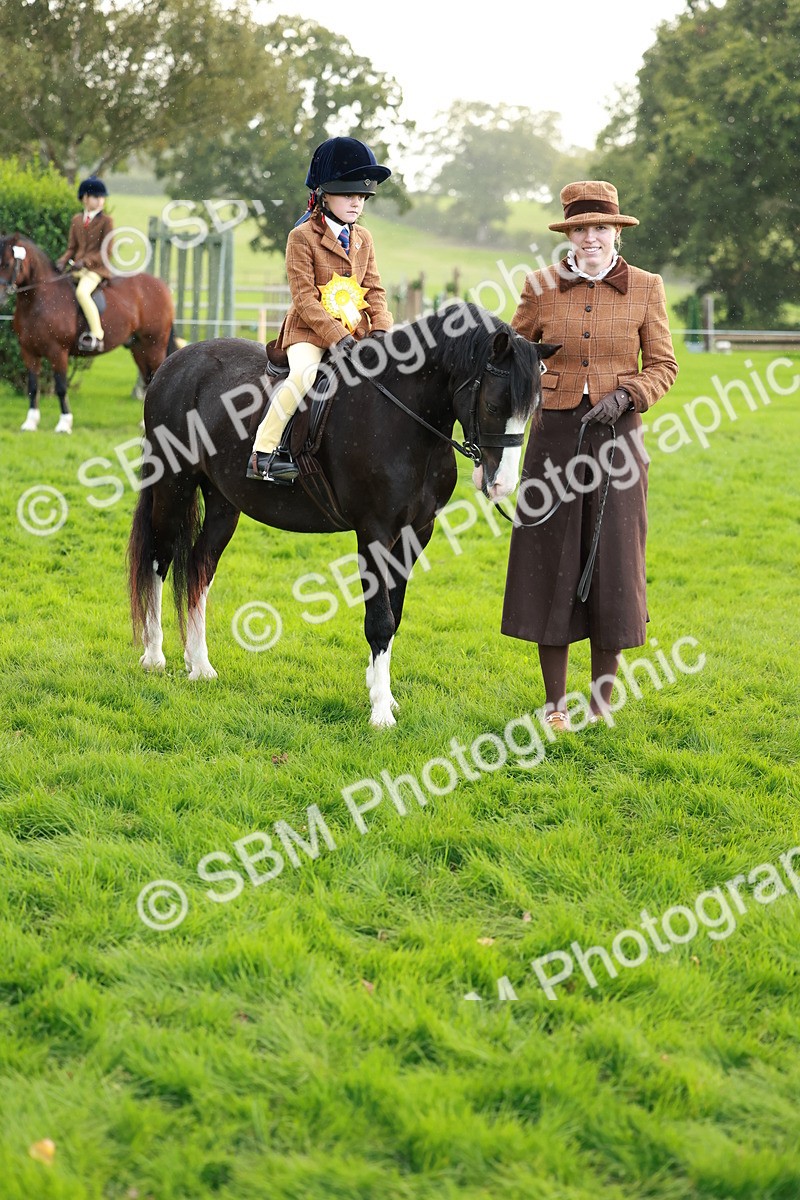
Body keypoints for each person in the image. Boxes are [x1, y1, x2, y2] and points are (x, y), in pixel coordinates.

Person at [501, 180, 679, 732]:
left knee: (613, 566)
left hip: (619, 442)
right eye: (581, 229)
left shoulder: (647, 288)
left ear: (616, 233)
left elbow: (664, 366)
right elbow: (512, 356)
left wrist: (629, 395)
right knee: (549, 566)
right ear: (570, 234)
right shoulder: (540, 287)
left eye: (600, 228)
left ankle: (601, 705)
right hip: (553, 442)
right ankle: (555, 704)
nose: (590, 238)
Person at [247, 136, 393, 485]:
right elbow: (304, 298)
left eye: (361, 197)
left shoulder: (364, 239)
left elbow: (374, 287)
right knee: (304, 376)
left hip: (354, 331)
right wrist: (338, 337)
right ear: (325, 195)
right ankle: (264, 453)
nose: (356, 203)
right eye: (348, 195)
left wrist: (382, 329)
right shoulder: (302, 237)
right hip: (308, 332)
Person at [56, 175, 113, 353]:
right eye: (97, 197)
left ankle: (97, 334)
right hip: (77, 268)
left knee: (82, 293)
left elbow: (106, 250)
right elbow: (71, 247)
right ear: (86, 198)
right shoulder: (76, 220)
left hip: (96, 270)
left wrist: (86, 261)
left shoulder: (106, 221)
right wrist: (62, 261)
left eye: (102, 197)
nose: (101, 200)